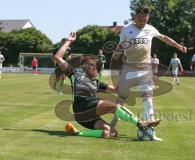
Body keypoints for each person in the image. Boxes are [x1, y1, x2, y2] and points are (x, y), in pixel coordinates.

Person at [53, 32, 160, 139]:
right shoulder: (74, 73)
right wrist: (69, 41)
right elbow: (58, 57)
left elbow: (115, 89)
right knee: (115, 107)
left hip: (85, 117)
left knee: (112, 133)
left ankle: (77, 133)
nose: (92, 67)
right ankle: (140, 123)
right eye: (90, 65)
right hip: (82, 107)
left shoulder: (96, 83)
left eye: (93, 66)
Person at [111, 6, 187, 141]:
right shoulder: (126, 29)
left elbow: (163, 37)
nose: (142, 22)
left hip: (145, 69)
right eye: (140, 19)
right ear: (135, 17)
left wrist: (177, 45)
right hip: (129, 69)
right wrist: (117, 54)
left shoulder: (151, 29)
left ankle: (150, 133)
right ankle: (112, 126)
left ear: (148, 18)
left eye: (145, 20)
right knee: (121, 100)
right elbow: (121, 46)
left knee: (148, 101)